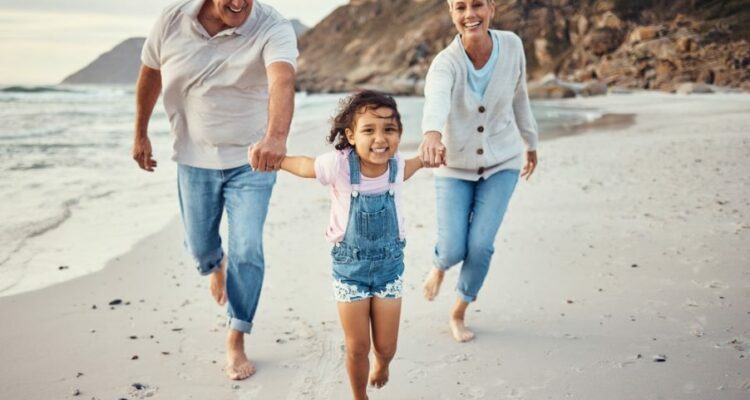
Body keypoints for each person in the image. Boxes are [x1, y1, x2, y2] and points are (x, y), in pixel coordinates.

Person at [131, 0, 297, 380]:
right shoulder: (172, 20)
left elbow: (282, 79)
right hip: (193, 156)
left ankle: (237, 334)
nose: (238, 2)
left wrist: (275, 138)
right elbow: (150, 73)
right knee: (201, 245)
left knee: (248, 248)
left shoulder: (273, 26)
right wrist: (140, 133)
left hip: (253, 159)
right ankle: (213, 264)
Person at [269, 91, 422, 400]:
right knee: (357, 346)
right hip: (349, 272)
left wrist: (434, 156)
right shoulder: (338, 166)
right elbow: (305, 165)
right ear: (351, 136)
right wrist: (275, 159)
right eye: (369, 130)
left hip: (390, 270)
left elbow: (418, 163)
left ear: (399, 134)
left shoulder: (397, 167)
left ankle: (383, 363)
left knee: (386, 346)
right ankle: (359, 396)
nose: (380, 138)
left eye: (388, 130)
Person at [419, 0, 539, 343]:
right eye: (460, 7)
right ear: (451, 14)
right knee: (454, 247)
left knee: (481, 246)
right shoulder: (445, 63)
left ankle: (458, 311)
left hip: (502, 162)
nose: (470, 14)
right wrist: (431, 134)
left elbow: (520, 95)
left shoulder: (512, 45)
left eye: (477, 4)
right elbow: (436, 99)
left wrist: (530, 142)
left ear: (492, 9)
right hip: (453, 167)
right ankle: (440, 264)